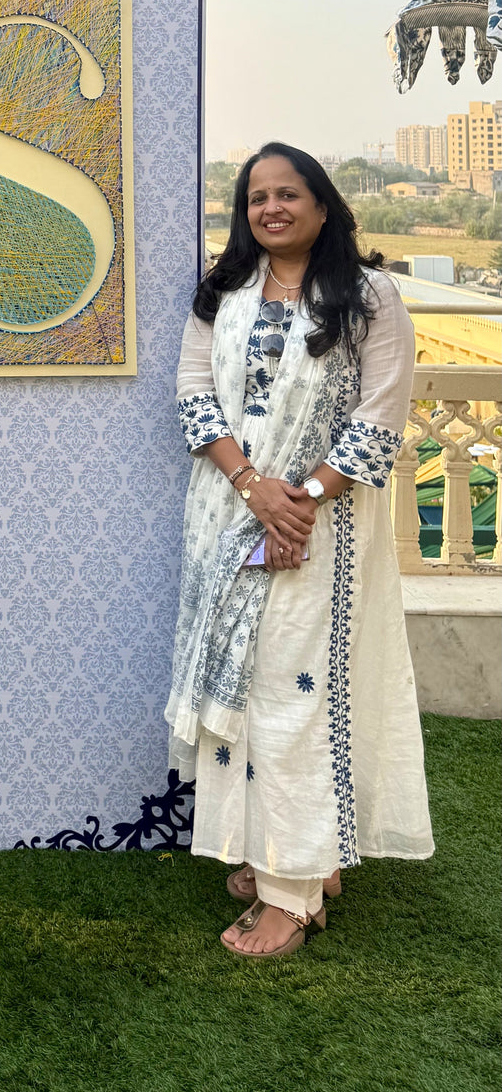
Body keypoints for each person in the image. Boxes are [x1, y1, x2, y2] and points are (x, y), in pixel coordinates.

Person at [169, 141, 433, 958]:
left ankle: (292, 889)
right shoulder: (225, 293)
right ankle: (292, 853)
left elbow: (380, 416)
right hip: (232, 513)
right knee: (249, 684)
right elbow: (192, 397)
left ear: (324, 205)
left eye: (289, 193)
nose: (271, 208)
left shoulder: (368, 296)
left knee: (298, 692)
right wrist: (256, 490)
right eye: (257, 197)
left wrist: (303, 501)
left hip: (324, 533)